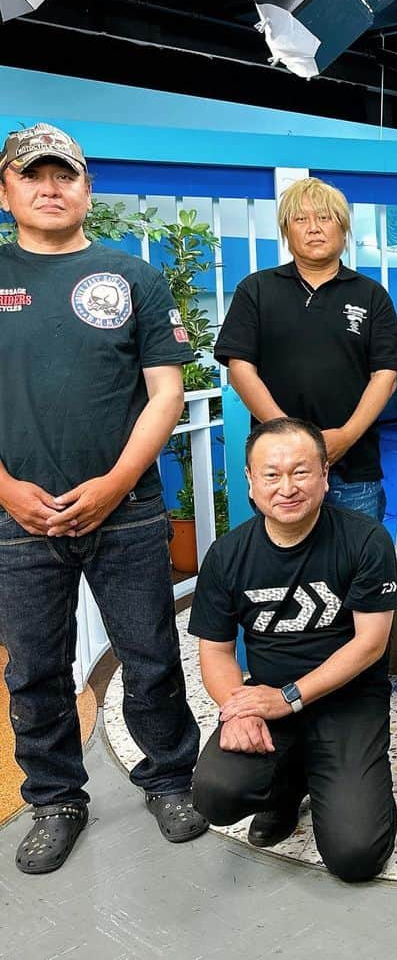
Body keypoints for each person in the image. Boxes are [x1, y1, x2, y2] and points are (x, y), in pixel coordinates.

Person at [0, 122, 205, 873]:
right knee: (34, 668)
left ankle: (171, 777)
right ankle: (55, 797)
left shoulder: (135, 279)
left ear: (86, 188)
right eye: (33, 175)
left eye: (64, 175)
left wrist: (117, 482)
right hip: (15, 518)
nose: (50, 187)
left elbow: (165, 392)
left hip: (129, 512)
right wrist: (8, 490)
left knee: (150, 655)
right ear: (6, 191)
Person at [190, 418, 397, 882]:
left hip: (347, 701)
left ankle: (344, 779)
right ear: (251, 480)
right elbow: (217, 653)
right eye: (271, 474)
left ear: (325, 475)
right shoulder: (227, 555)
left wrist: (290, 696)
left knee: (355, 856)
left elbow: (370, 644)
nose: (287, 486)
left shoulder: (365, 540)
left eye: (301, 472)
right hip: (268, 698)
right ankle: (286, 787)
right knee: (215, 795)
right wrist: (237, 709)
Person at [215, 177, 397, 520]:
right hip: (278, 470)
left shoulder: (371, 295)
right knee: (280, 568)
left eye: (324, 218)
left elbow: (386, 375)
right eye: (301, 220)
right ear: (287, 232)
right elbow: (240, 368)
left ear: (343, 229)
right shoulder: (255, 290)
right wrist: (292, 438)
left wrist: (345, 436)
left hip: (353, 469)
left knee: (357, 566)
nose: (313, 228)